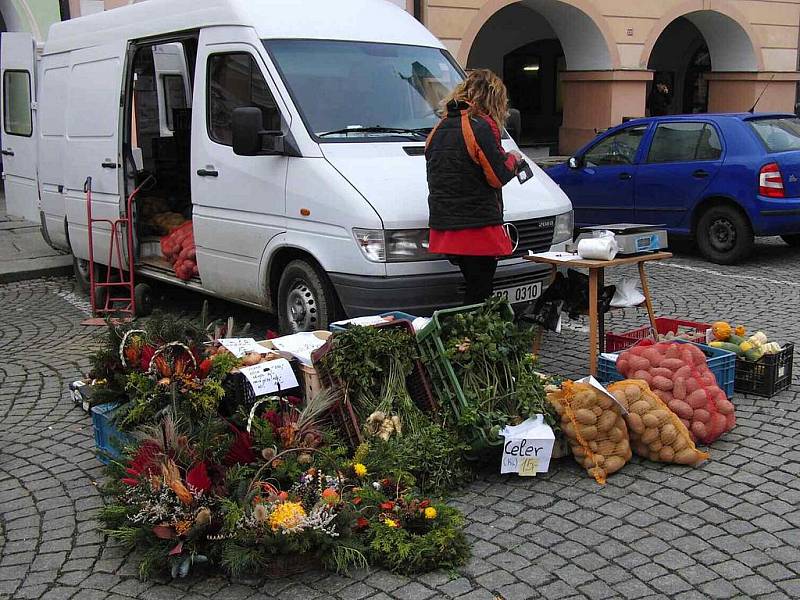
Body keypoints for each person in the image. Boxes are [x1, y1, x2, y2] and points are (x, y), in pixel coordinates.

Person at [425, 69, 524, 305]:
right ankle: (470, 340)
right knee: (479, 294)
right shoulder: (481, 125)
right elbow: (497, 175)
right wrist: (514, 159)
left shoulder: (441, 126)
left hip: (446, 223)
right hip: (476, 226)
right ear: (494, 98)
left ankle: (463, 338)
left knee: (472, 287)